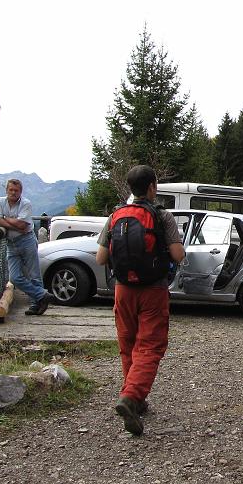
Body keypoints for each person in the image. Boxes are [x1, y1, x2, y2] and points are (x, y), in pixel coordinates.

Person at [96, 165, 185, 436]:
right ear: (152, 187)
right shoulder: (162, 216)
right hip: (153, 290)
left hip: (123, 290)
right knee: (150, 346)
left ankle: (135, 397)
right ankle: (131, 397)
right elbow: (178, 255)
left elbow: (100, 258)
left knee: (128, 343)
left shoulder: (115, 216)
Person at [0, 179, 51, 316]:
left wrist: (5, 219)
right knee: (14, 277)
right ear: (6, 190)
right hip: (11, 244)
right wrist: (16, 223)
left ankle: (36, 304)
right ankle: (42, 295)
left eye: (16, 190)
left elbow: (23, 225)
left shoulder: (26, 203)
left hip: (27, 241)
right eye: (11, 190)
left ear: (20, 192)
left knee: (34, 275)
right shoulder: (0, 202)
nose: (13, 192)